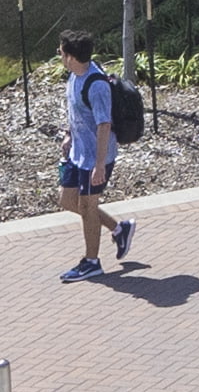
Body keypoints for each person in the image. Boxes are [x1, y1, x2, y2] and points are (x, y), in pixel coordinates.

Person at [52, 30, 137, 277]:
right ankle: (119, 229)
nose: (59, 55)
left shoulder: (96, 85)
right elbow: (75, 111)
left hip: (95, 157)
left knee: (88, 206)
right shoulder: (74, 75)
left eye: (60, 52)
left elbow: (104, 125)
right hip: (78, 152)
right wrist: (69, 134)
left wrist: (100, 165)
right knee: (68, 200)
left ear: (70, 57)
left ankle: (91, 262)